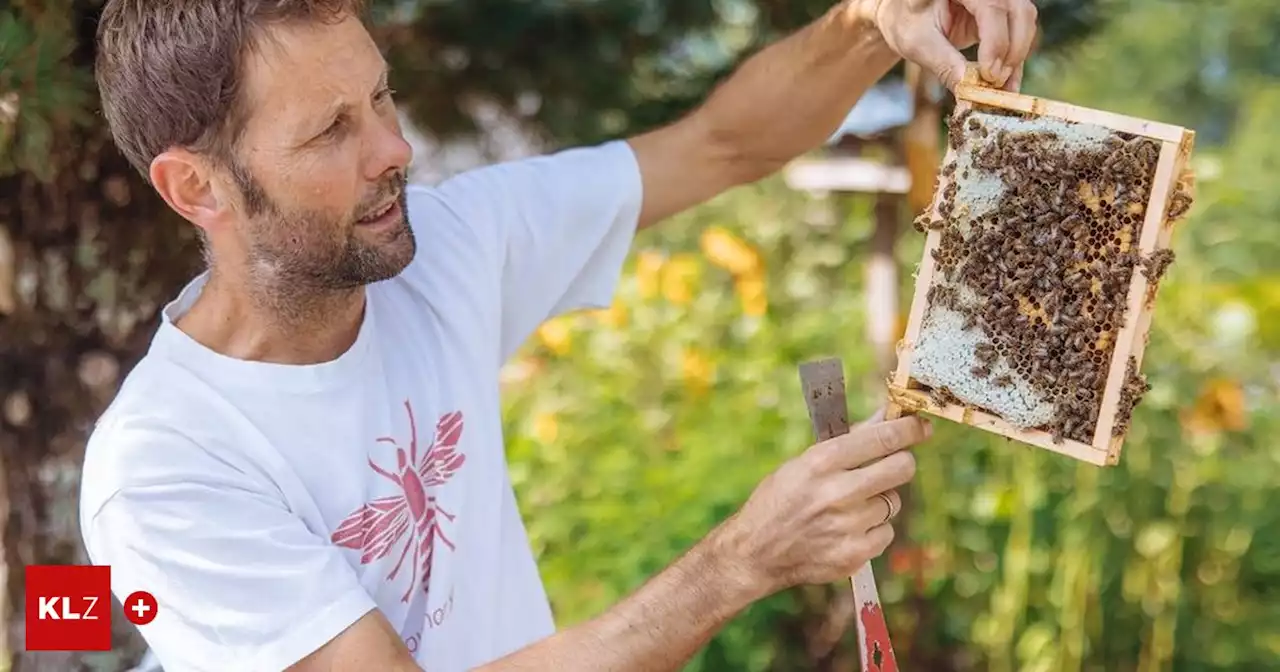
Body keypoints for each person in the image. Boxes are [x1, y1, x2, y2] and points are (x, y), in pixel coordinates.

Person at [80, 0, 1037, 670]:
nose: (394, 150)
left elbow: (721, 144)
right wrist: (743, 557)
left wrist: (871, 23)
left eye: (381, 99)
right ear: (195, 189)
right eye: (330, 131)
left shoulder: (443, 250)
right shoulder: (168, 468)